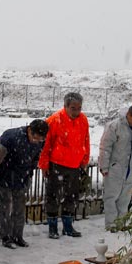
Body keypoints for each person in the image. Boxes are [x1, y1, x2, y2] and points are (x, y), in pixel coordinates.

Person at [38, 92, 90, 238]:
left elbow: (85, 140)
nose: (76, 111)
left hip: (75, 165)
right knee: (53, 196)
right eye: (73, 108)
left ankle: (68, 226)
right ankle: (52, 227)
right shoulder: (54, 120)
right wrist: (44, 165)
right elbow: (46, 145)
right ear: (65, 106)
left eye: (79, 108)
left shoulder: (83, 120)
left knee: (72, 196)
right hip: (56, 164)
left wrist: (84, 160)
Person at [0, 119, 49, 248]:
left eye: (40, 139)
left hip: (22, 177)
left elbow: (35, 158)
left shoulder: (40, 142)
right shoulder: (10, 136)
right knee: (5, 208)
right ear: (29, 130)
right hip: (6, 176)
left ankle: (18, 236)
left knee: (20, 209)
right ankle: (5, 237)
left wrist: (30, 173)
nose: (36, 141)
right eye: (35, 137)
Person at [98, 105, 132, 228]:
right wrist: (104, 166)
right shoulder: (115, 126)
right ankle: (111, 224)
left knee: (125, 198)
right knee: (111, 197)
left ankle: (121, 222)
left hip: (130, 169)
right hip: (115, 167)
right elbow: (105, 147)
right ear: (129, 115)